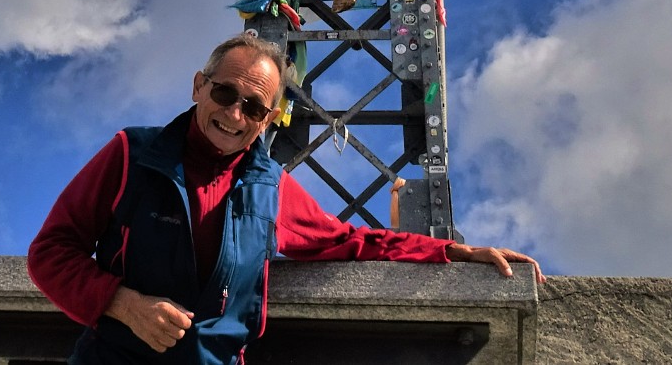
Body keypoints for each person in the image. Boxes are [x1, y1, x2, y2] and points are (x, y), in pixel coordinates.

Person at [28, 33, 543, 364]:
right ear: (198, 87)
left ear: (270, 120)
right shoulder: (130, 154)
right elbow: (50, 253)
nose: (234, 115)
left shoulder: (271, 187)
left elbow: (352, 242)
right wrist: (122, 305)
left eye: (254, 107)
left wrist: (452, 251)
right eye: (226, 94)